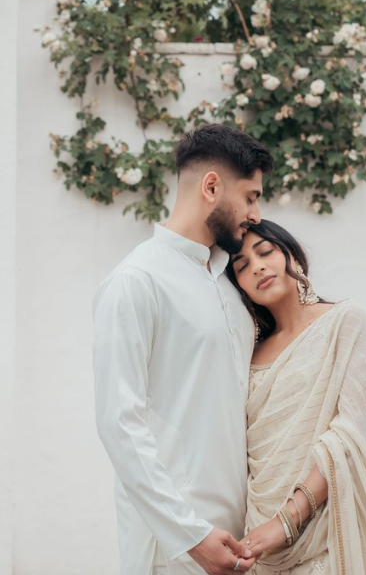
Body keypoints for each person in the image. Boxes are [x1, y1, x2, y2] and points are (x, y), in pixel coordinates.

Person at [92, 124, 274, 575]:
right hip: (174, 546)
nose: (255, 212)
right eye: (250, 196)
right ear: (212, 187)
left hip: (237, 537)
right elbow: (120, 421)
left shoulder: (229, 285)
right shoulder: (136, 282)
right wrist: (190, 536)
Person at [226, 220, 366, 575]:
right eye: (241, 266)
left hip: (329, 529)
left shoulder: (345, 323)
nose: (257, 266)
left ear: (293, 258)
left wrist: (287, 520)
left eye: (265, 251)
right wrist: (266, 527)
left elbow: (350, 435)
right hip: (259, 534)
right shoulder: (246, 354)